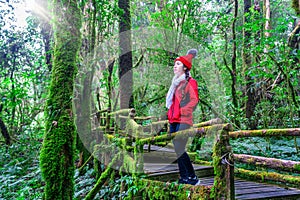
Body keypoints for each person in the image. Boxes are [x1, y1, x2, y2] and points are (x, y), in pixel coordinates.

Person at [166, 49, 200, 185]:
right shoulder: (175, 83)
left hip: (183, 120)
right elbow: (172, 103)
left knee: (180, 149)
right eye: (175, 64)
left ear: (185, 68)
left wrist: (182, 111)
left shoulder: (190, 82)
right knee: (177, 150)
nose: (175, 66)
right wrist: (171, 115)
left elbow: (194, 100)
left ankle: (192, 177)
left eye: (178, 64)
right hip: (173, 120)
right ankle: (185, 177)